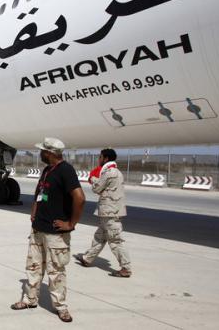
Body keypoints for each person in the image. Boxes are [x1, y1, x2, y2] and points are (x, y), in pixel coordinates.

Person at [10, 137, 84, 323]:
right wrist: (34, 211)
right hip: (38, 229)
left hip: (55, 234)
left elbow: (79, 198)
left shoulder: (65, 170)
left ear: (49, 153)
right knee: (33, 267)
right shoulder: (47, 170)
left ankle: (60, 307)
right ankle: (30, 299)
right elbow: (40, 193)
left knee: (56, 271)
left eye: (42, 150)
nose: (39, 153)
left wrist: (71, 224)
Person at [75, 148, 132, 277]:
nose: (99, 159)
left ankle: (126, 268)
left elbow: (97, 188)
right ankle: (87, 258)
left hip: (110, 212)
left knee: (115, 240)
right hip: (109, 211)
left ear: (105, 158)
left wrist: (93, 178)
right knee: (99, 237)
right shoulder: (116, 172)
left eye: (100, 157)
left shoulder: (109, 173)